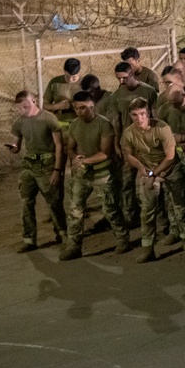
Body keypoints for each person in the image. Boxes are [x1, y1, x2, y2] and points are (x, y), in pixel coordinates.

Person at [121, 98, 185, 263]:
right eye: (135, 115)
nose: (139, 118)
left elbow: (170, 157)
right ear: (130, 115)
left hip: (170, 168)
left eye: (142, 114)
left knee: (180, 206)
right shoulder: (129, 133)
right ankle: (148, 248)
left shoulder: (162, 128)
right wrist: (142, 169)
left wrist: (153, 175)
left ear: (148, 112)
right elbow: (129, 155)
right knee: (147, 210)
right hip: (149, 169)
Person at [63, 91, 131, 261]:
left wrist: (84, 161)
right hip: (83, 173)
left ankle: (123, 239)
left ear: (92, 106)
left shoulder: (103, 124)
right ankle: (74, 246)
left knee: (110, 209)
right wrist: (74, 157)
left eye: (83, 108)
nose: (79, 111)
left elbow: (105, 153)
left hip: (102, 173)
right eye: (76, 108)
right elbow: (70, 147)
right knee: (75, 210)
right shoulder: (74, 125)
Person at [8, 91, 66, 253]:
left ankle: (62, 233)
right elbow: (17, 143)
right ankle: (29, 239)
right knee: (26, 202)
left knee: (53, 201)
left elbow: (59, 145)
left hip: (47, 164)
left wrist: (57, 169)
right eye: (20, 108)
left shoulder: (48, 119)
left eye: (26, 106)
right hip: (29, 165)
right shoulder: (19, 122)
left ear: (34, 101)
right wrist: (14, 148)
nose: (24, 110)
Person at [110, 62, 159, 226]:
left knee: (153, 178)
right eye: (118, 79)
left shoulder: (148, 91)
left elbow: (156, 117)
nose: (121, 82)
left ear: (131, 73)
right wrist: (117, 144)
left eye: (124, 78)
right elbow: (116, 121)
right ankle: (131, 216)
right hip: (128, 144)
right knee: (127, 182)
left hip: (147, 143)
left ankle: (159, 216)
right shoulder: (116, 96)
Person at [156, 84, 185, 246]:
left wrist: (181, 137)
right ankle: (176, 229)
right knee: (173, 194)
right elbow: (160, 134)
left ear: (184, 95)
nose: (173, 106)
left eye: (176, 103)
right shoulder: (165, 110)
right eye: (170, 103)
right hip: (174, 157)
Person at [42, 58, 82, 133]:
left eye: (74, 78)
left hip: (80, 125)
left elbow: (94, 108)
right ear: (64, 71)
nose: (70, 80)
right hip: (60, 124)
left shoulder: (85, 84)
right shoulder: (55, 83)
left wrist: (77, 106)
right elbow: (43, 106)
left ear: (79, 72)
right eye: (67, 77)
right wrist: (57, 106)